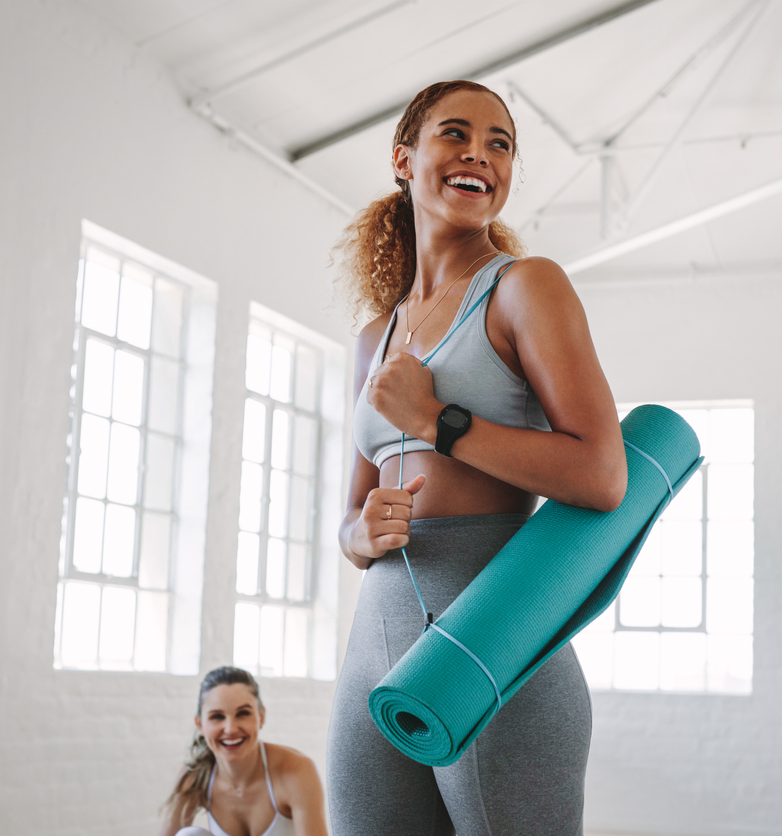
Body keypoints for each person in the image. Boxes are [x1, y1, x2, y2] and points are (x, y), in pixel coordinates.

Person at [327, 80, 627, 836]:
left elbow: (602, 474)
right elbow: (350, 518)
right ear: (404, 159)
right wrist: (359, 535)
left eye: (500, 144)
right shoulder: (374, 336)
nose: (479, 155)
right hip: (377, 640)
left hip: (493, 639)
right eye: (455, 134)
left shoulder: (525, 289)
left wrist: (436, 420)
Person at [160, 666, 328, 836]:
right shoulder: (193, 776)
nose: (230, 729)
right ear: (200, 724)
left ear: (261, 717)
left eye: (243, 713)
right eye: (217, 716)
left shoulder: (296, 770)